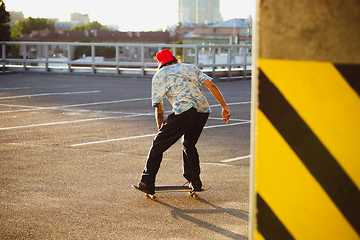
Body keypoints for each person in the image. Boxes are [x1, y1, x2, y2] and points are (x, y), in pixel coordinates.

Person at [137, 49, 231, 194]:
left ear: (160, 63)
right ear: (174, 58)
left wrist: (161, 129)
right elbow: (211, 86)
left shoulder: (159, 75)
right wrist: (224, 107)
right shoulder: (191, 68)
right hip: (202, 111)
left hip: (184, 111)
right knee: (189, 144)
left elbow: (159, 108)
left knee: (157, 145)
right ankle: (195, 182)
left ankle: (147, 182)